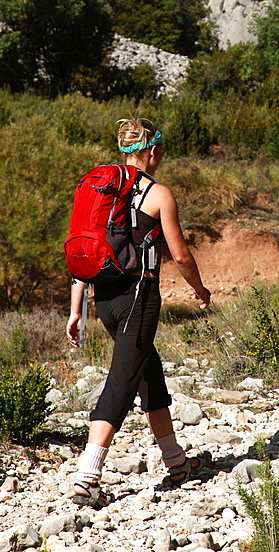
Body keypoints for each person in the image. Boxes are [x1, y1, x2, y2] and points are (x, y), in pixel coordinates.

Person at [66, 118, 212, 509]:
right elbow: (180, 254)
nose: (161, 157)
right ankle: (88, 477)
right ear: (152, 151)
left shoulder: (101, 189)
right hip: (139, 298)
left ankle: (177, 463)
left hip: (105, 300)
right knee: (123, 378)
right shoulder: (158, 193)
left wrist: (76, 309)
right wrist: (200, 291)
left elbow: (86, 246)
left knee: (149, 372)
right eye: (160, 151)